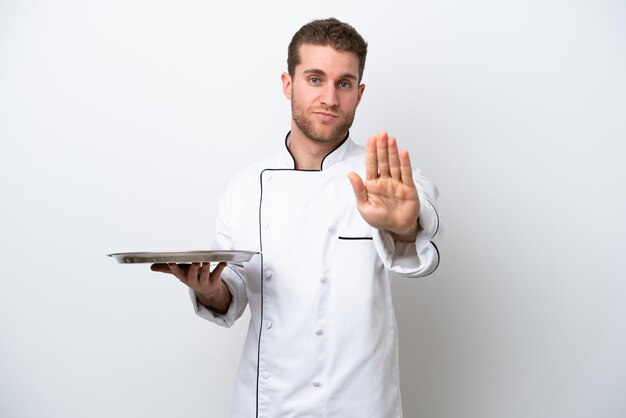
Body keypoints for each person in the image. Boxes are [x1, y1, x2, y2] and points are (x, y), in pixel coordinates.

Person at [152, 17, 440, 418]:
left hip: (357, 401)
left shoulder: (386, 177)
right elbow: (231, 291)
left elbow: (413, 243)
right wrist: (209, 289)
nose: (330, 98)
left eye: (343, 84)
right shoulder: (245, 186)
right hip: (268, 404)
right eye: (315, 79)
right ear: (288, 84)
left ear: (359, 93)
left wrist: (403, 225)